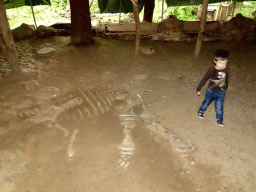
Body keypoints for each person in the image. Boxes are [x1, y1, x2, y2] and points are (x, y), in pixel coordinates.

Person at [196, 49, 230, 126]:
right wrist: (198, 88)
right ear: (215, 61)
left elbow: (226, 78)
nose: (223, 65)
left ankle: (220, 119)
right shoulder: (211, 70)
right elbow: (204, 79)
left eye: (225, 63)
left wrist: (226, 87)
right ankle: (201, 111)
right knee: (206, 102)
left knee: (219, 106)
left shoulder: (226, 69)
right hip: (211, 91)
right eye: (220, 63)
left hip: (221, 91)